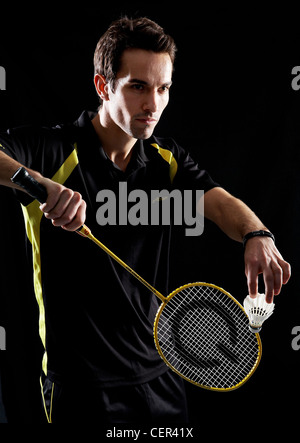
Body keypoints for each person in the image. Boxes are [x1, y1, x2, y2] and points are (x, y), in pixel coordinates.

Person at [0, 17, 291, 423]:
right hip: (82, 389)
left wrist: (256, 233)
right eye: (138, 86)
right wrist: (41, 185)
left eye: (163, 88)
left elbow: (221, 202)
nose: (153, 104)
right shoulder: (50, 150)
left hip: (162, 378)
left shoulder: (165, 160)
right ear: (104, 86)